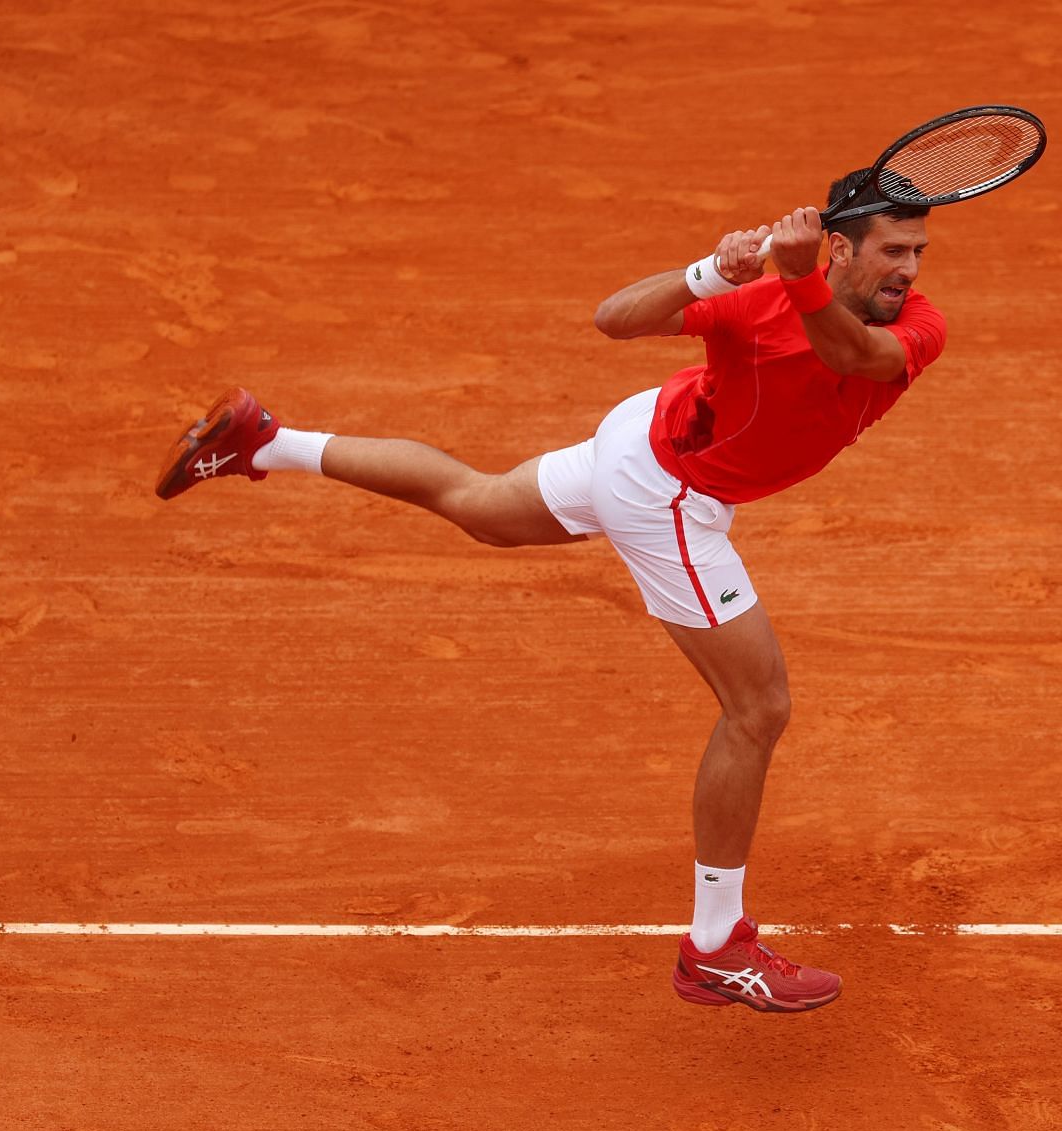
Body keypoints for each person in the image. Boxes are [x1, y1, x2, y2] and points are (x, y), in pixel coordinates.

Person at [154, 172, 946, 1014]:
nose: (909, 269)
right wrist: (717, 269)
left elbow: (852, 356)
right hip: (667, 491)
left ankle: (265, 442)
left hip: (640, 445)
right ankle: (716, 945)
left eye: (918, 252)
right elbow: (615, 318)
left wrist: (795, 277)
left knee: (482, 508)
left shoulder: (916, 325)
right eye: (893, 250)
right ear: (840, 246)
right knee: (758, 708)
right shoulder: (762, 301)